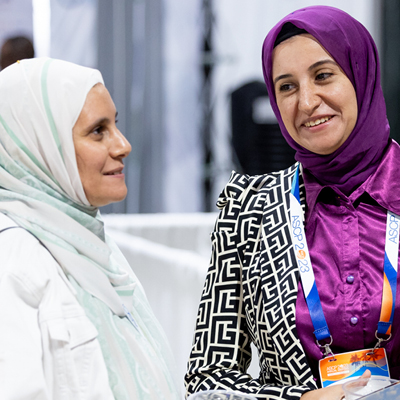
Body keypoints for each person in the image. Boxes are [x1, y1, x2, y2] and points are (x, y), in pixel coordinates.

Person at [185, 5, 400, 400]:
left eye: (323, 76)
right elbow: (206, 380)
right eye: (286, 86)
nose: (306, 101)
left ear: (361, 74)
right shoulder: (250, 208)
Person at [0, 57, 180, 399]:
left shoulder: (86, 242)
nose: (123, 145)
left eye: (115, 125)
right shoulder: (13, 262)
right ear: (40, 147)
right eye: (98, 131)